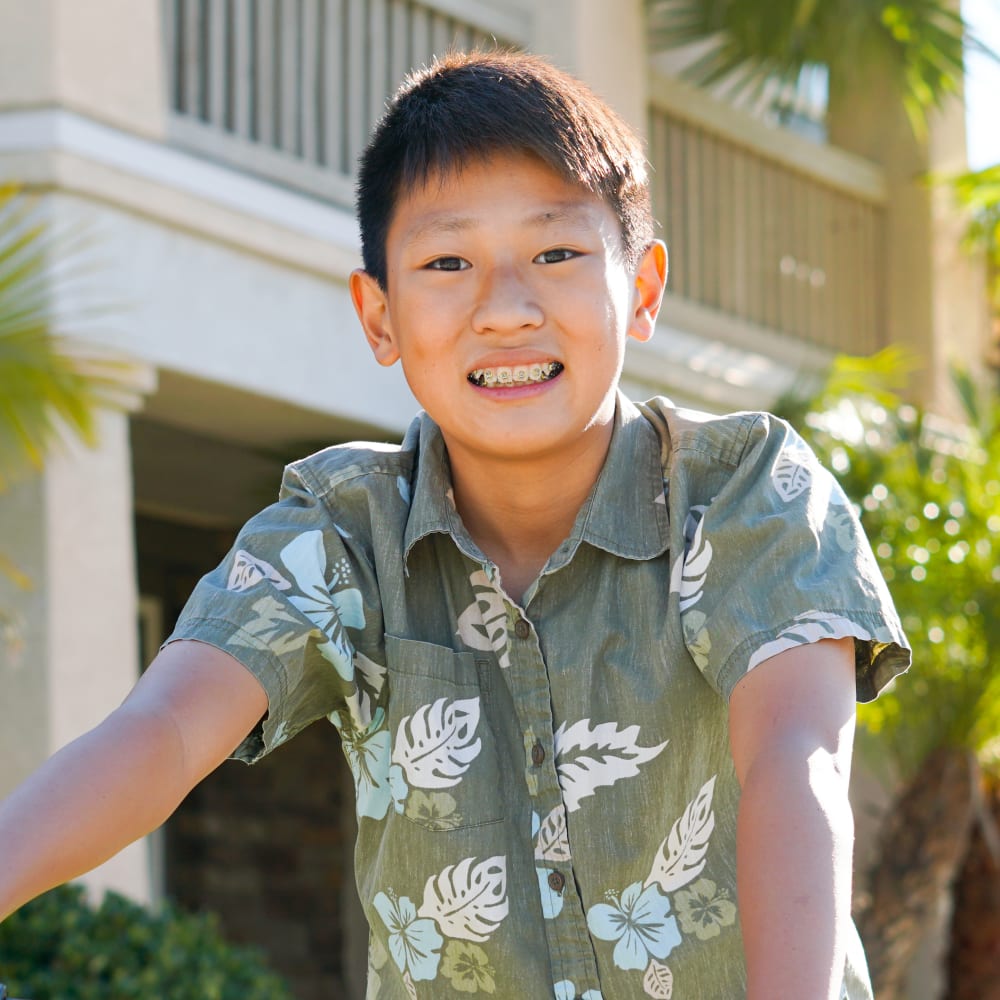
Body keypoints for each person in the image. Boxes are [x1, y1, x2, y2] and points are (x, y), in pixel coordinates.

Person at [0, 50, 909, 1000]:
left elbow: (794, 761)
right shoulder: (343, 532)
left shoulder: (744, 492)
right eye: (447, 263)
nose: (506, 310)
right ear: (379, 315)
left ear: (642, 289)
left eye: (556, 254)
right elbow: (164, 733)